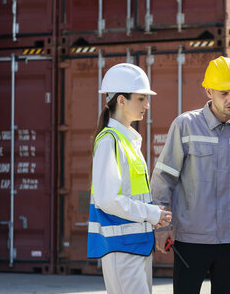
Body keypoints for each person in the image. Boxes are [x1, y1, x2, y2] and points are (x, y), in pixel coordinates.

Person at [151, 56, 230, 294]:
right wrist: (162, 225)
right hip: (191, 238)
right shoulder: (185, 126)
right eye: (223, 93)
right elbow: (164, 178)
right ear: (208, 91)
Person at [87, 63, 172, 294]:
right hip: (122, 250)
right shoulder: (109, 141)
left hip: (136, 247)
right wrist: (152, 214)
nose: (147, 104)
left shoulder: (128, 141)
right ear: (121, 100)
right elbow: (107, 199)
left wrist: (155, 217)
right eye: (141, 98)